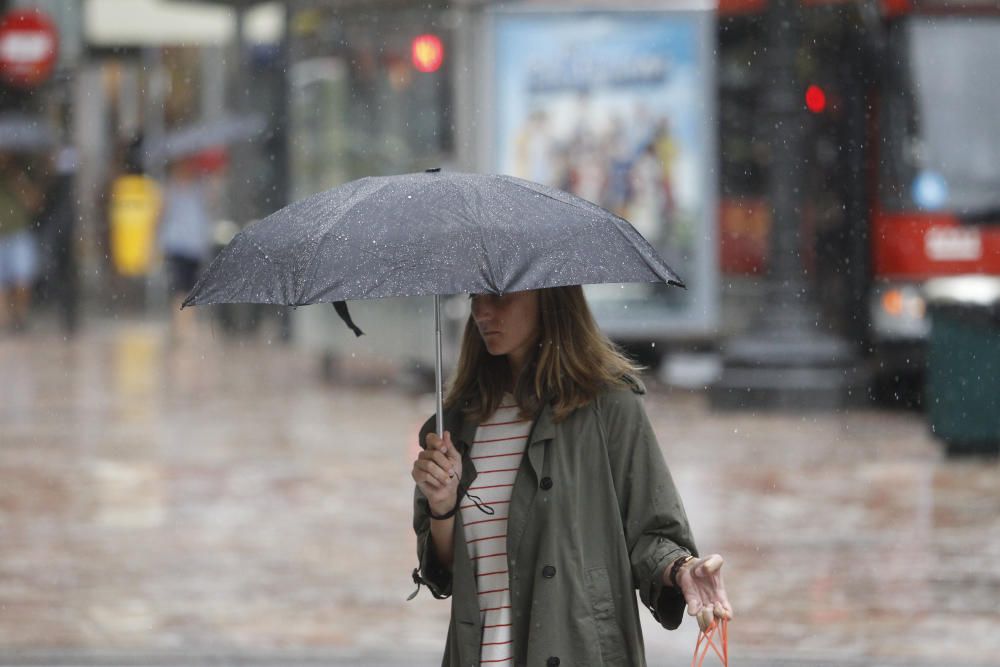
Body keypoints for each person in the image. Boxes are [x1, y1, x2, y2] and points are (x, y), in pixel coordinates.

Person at [410, 286, 732, 666]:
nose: (481, 310)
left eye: (499, 296)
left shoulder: (610, 407)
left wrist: (682, 569)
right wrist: (442, 506)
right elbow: (446, 571)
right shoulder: (458, 424)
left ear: (548, 297)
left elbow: (652, 532)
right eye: (474, 297)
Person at [158, 158, 212, 342]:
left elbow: (209, 204)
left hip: (194, 246)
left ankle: (184, 326)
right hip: (177, 244)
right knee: (180, 287)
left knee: (190, 288)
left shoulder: (199, 187)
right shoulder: (170, 188)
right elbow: (161, 214)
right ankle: (181, 327)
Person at [0, 153, 43, 334]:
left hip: (19, 235)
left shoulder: (20, 175)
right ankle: (5, 322)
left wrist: (16, 181)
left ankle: (20, 318)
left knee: (22, 280)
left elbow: (35, 203)